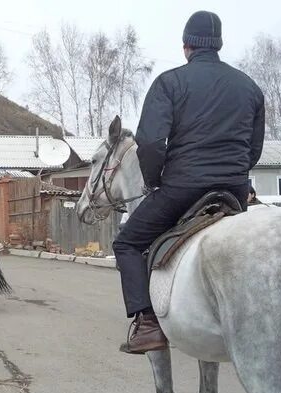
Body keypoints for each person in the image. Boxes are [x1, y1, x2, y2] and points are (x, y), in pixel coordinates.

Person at [113, 10, 265, 354]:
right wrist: (235, 174)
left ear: (186, 46)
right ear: (219, 44)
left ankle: (149, 323)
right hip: (235, 192)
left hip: (182, 189)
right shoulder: (250, 87)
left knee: (127, 243)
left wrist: (156, 181)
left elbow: (150, 144)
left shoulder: (170, 82)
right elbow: (253, 149)